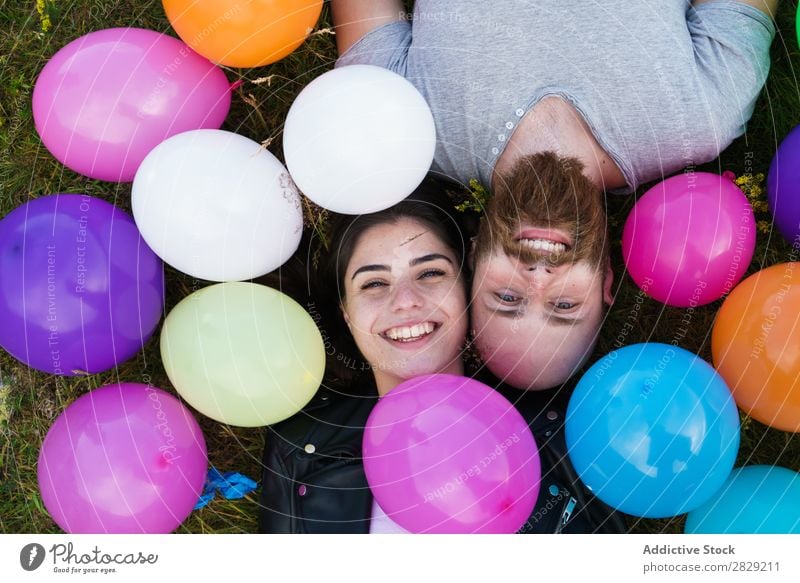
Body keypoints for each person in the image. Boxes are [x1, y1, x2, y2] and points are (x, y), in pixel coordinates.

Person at [330, 1, 778, 389]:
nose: (537, 277)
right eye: (563, 305)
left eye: (506, 298)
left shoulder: (404, 124)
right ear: (605, 279)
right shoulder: (703, 118)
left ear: (471, 262)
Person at [258, 181, 626, 533]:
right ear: (346, 313)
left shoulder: (566, 428)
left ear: (467, 287)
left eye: (431, 273)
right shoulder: (300, 450)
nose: (405, 300)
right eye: (373, 283)